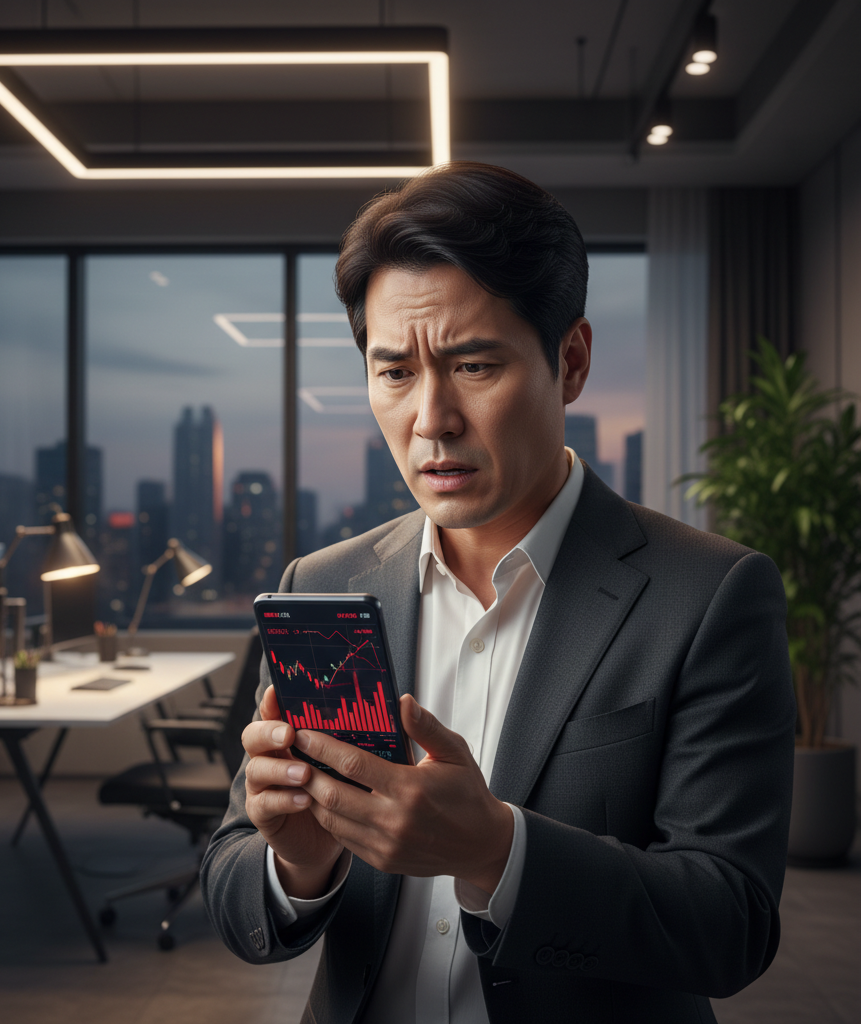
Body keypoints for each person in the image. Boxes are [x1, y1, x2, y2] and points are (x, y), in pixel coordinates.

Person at [201, 162, 796, 1024]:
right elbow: (234, 891)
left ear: (573, 360)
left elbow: (732, 925)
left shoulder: (707, 594)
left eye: (474, 365)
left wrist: (498, 852)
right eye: (394, 372)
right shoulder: (320, 588)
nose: (431, 419)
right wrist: (296, 864)